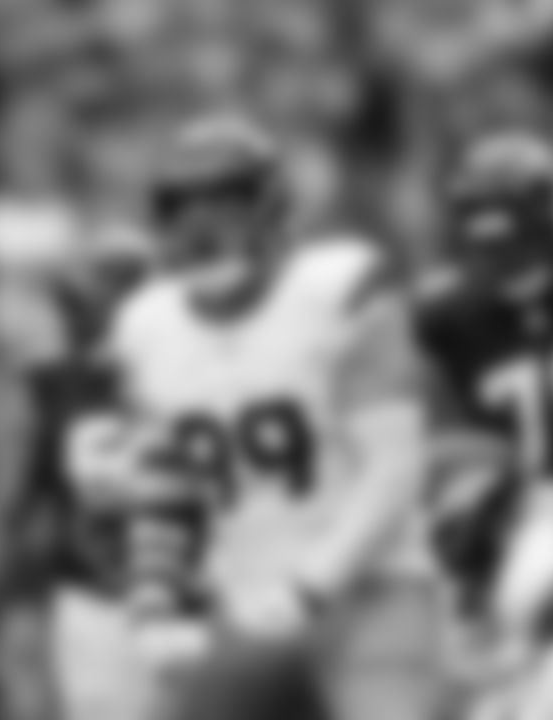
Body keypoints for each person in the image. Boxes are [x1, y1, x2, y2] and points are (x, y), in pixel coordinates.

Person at [82, 112, 439, 720]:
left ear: (271, 209)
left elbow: (395, 468)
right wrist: (153, 606)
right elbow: (166, 485)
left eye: (224, 204)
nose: (202, 228)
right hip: (245, 604)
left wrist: (310, 587)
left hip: (374, 582)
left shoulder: (339, 290)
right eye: (183, 208)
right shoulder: (146, 326)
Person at [416, 130, 553, 720]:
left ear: (551, 221)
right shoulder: (446, 317)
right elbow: (438, 442)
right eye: (487, 246)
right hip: (537, 520)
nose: (502, 260)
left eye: (516, 242)